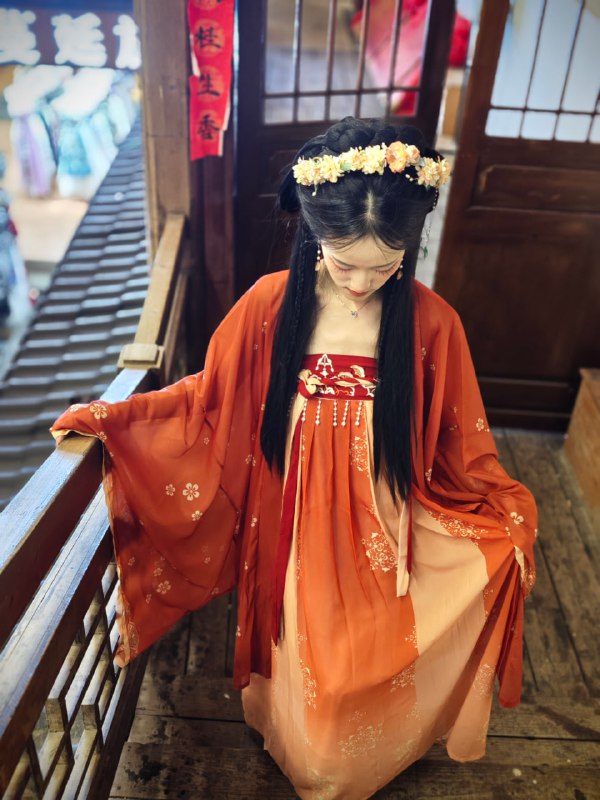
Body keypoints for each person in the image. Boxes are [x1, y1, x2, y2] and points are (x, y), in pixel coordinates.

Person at [50, 117, 537, 799]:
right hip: (296, 515)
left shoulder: (433, 322)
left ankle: (357, 760)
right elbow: (208, 398)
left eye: (385, 265)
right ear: (313, 235)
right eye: (344, 262)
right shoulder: (270, 305)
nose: (362, 283)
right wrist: (115, 419)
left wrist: (504, 514)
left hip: (388, 513)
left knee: (368, 654)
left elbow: (463, 438)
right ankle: (310, 757)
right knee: (310, 652)